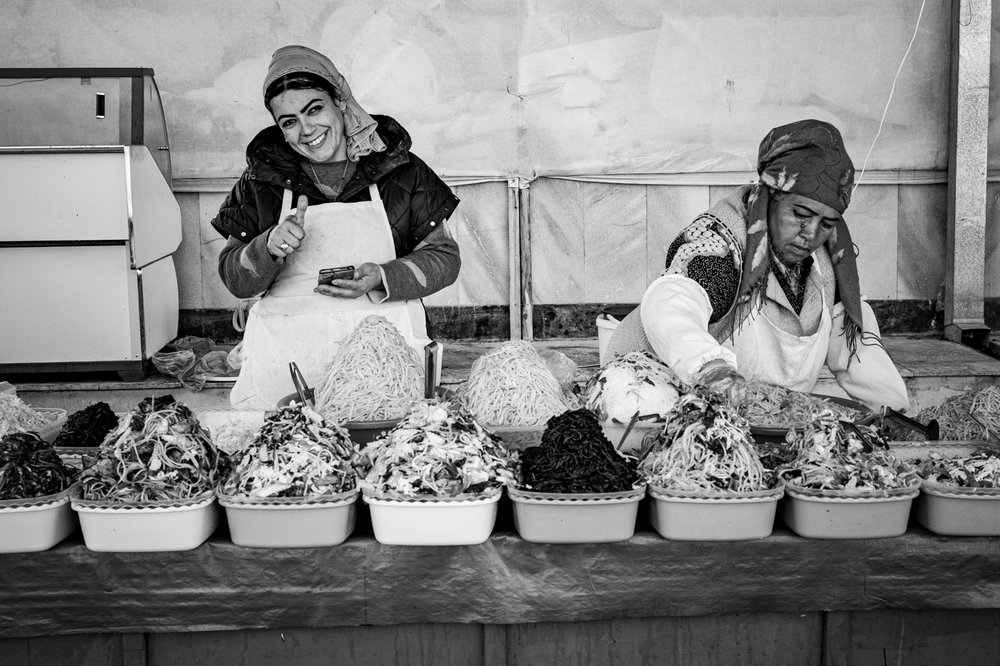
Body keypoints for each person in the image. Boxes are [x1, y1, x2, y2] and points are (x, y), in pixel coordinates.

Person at [212, 45, 461, 409]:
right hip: (286, 368)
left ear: (341, 104)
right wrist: (267, 248)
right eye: (289, 121)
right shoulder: (260, 182)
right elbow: (236, 280)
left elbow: (445, 258)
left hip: (384, 369)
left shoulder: (401, 170)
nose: (307, 130)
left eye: (315, 110)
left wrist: (382, 276)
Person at [605, 119, 909, 411]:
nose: (812, 234)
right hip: (644, 397)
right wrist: (712, 370)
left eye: (828, 223)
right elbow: (670, 303)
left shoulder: (829, 265)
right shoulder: (723, 245)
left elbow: (854, 348)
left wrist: (893, 413)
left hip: (755, 418)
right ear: (770, 197)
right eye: (801, 215)